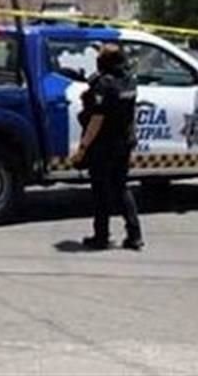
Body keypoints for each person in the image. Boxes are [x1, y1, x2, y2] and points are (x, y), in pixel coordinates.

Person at [68, 43, 144, 251]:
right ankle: (135, 235)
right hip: (124, 141)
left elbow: (97, 120)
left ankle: (101, 236)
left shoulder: (104, 84)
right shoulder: (130, 81)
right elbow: (131, 114)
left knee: (101, 190)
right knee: (121, 188)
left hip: (104, 144)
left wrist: (83, 147)